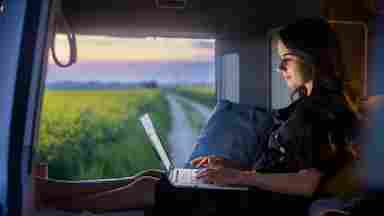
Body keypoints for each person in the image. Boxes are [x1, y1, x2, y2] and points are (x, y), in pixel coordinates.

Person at [41, 17, 361, 215]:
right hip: (256, 193)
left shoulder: (326, 111)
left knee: (149, 188)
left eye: (287, 60)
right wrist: (232, 169)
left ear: (313, 59)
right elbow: (281, 166)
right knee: (152, 176)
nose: (280, 68)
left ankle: (48, 206)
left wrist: (240, 177)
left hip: (265, 207)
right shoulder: (303, 107)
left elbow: (308, 182)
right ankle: (49, 189)